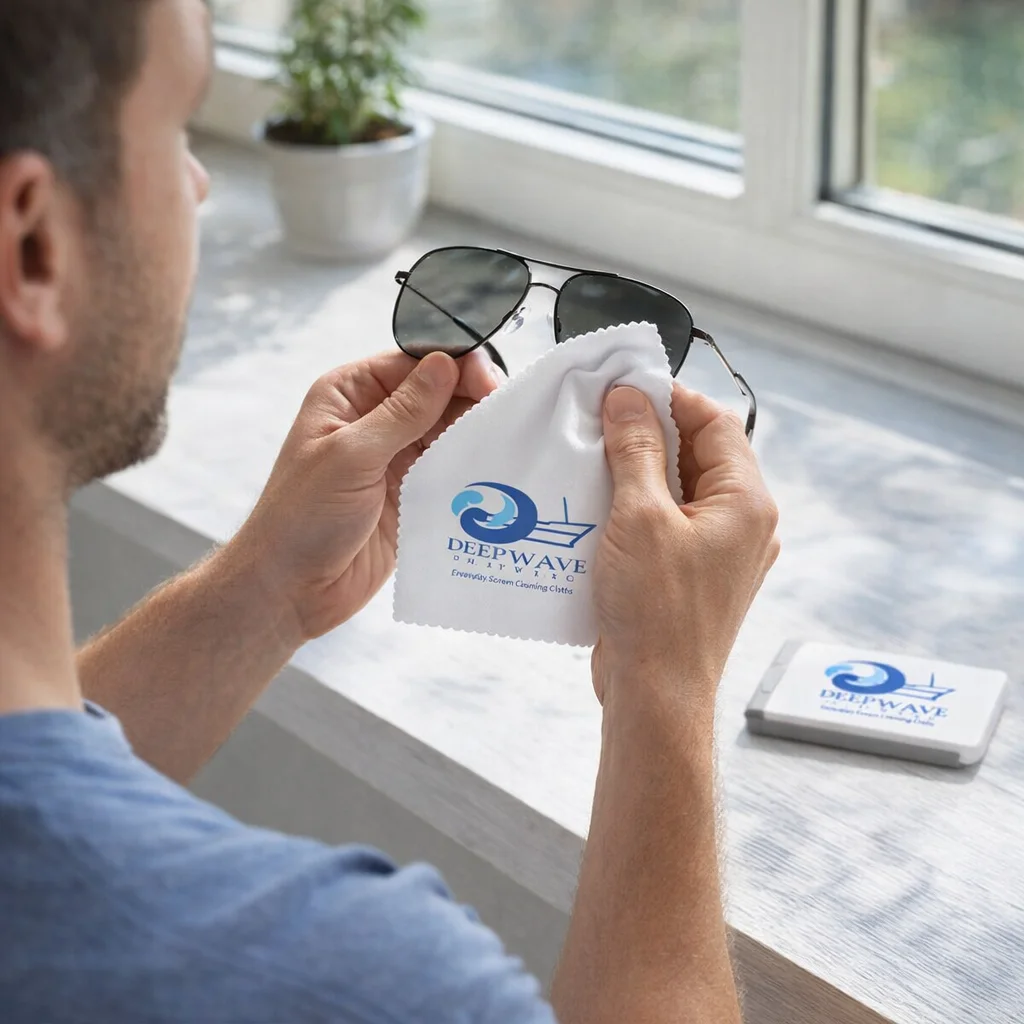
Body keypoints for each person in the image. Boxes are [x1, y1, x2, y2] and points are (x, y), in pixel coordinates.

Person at [0, 1, 780, 1022]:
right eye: (179, 128)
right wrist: (667, 684)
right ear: (34, 247)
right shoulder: (349, 978)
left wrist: (269, 588)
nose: (198, 184)